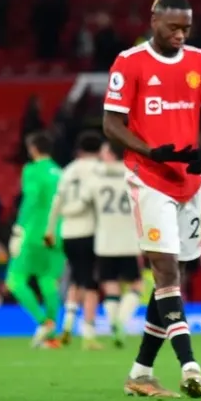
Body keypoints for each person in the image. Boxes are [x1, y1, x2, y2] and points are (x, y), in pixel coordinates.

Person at [103, 0, 201, 399]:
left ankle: (140, 371)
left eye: (186, 28)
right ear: (153, 19)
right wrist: (149, 150)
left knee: (174, 277)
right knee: (167, 273)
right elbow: (111, 123)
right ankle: (190, 365)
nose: (180, 34)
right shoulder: (130, 62)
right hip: (149, 178)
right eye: (173, 27)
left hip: (189, 181)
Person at [5, 131, 65, 348]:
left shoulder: (32, 170)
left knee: (15, 279)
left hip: (34, 234)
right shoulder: (61, 172)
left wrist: (18, 229)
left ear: (33, 149)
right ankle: (51, 336)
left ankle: (43, 323)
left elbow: (31, 199)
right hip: (58, 233)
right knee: (48, 281)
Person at [44, 130, 102, 348]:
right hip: (91, 232)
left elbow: (56, 202)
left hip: (68, 233)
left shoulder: (67, 171)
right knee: (91, 282)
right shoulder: (99, 170)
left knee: (77, 278)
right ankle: (88, 333)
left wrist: (50, 230)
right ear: (100, 150)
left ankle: (67, 326)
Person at [85, 140, 143, 348]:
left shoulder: (96, 176)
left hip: (105, 240)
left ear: (109, 153)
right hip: (129, 239)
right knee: (136, 285)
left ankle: (112, 322)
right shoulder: (133, 174)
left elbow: (85, 199)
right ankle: (122, 320)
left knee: (110, 285)